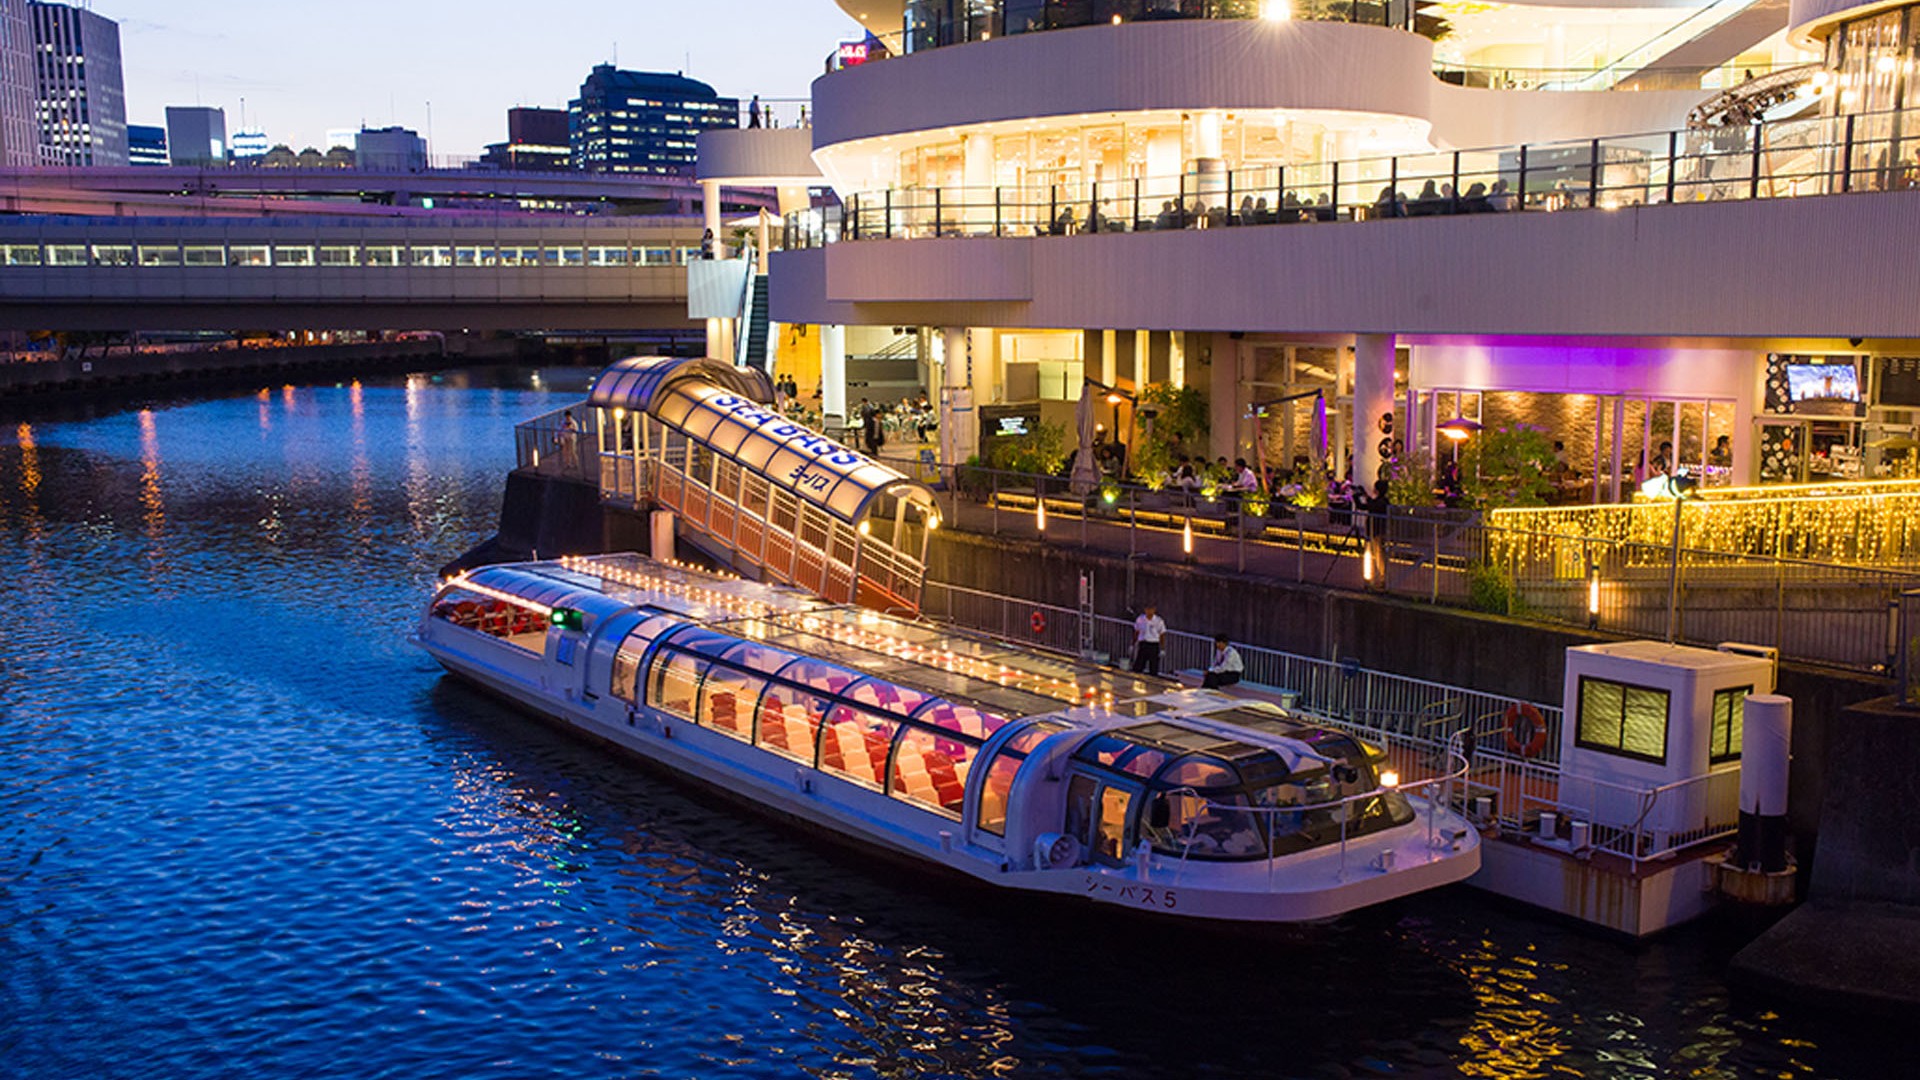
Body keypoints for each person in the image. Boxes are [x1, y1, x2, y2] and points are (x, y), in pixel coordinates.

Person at [1131, 604, 1166, 676]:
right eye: (1147, 609)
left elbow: (1162, 635)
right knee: (1139, 665)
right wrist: (1132, 644)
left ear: (1154, 610)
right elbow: (1136, 632)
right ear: (1145, 610)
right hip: (1143, 643)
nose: (1149, 611)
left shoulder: (1159, 621)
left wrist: (1162, 648)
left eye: (1151, 609)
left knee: (1153, 667)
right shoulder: (1140, 619)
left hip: (1153, 644)